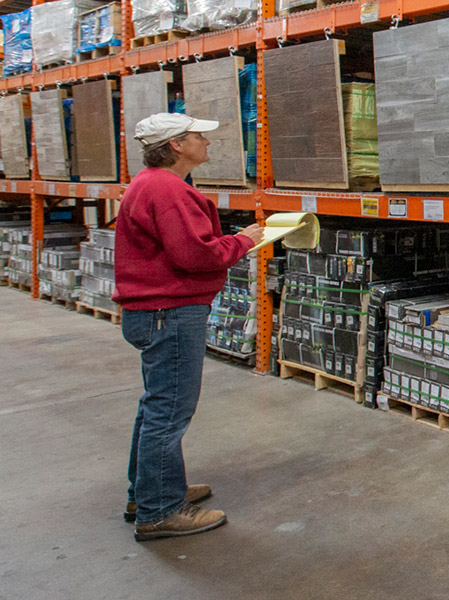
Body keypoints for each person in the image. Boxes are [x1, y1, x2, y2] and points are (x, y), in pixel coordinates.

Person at [113, 112, 264, 542]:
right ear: (177, 145)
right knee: (169, 411)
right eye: (200, 136)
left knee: (155, 406)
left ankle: (148, 493)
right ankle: (160, 511)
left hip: (157, 311)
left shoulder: (151, 183)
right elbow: (194, 256)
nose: (208, 143)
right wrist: (245, 240)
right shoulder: (165, 188)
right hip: (170, 311)